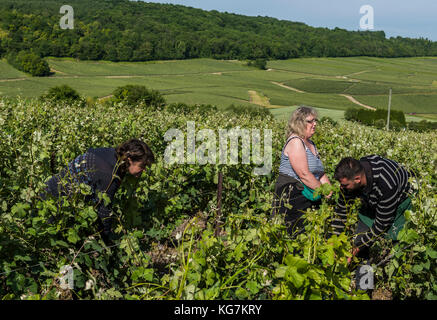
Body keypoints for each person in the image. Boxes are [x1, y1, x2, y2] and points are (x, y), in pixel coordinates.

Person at [41, 138, 155, 244]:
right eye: (142, 166)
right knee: (49, 240)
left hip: (51, 191)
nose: (144, 170)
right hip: (53, 204)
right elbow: (103, 212)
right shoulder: (108, 175)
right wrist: (106, 241)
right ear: (129, 160)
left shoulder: (110, 154)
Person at [331, 155, 412, 262]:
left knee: (395, 247)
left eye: (345, 185)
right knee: (360, 241)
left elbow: (381, 224)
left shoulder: (386, 184)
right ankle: (362, 270)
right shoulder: (350, 179)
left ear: (357, 179)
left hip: (400, 200)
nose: (342, 188)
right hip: (373, 197)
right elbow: (341, 211)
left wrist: (356, 248)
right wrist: (333, 241)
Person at [272, 106, 331, 236]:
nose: (314, 124)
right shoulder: (296, 142)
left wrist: (330, 189)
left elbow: (319, 172)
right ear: (299, 122)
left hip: (308, 194)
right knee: (294, 234)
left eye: (315, 120)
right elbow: (304, 174)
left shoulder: (311, 144)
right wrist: (324, 191)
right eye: (310, 121)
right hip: (293, 195)